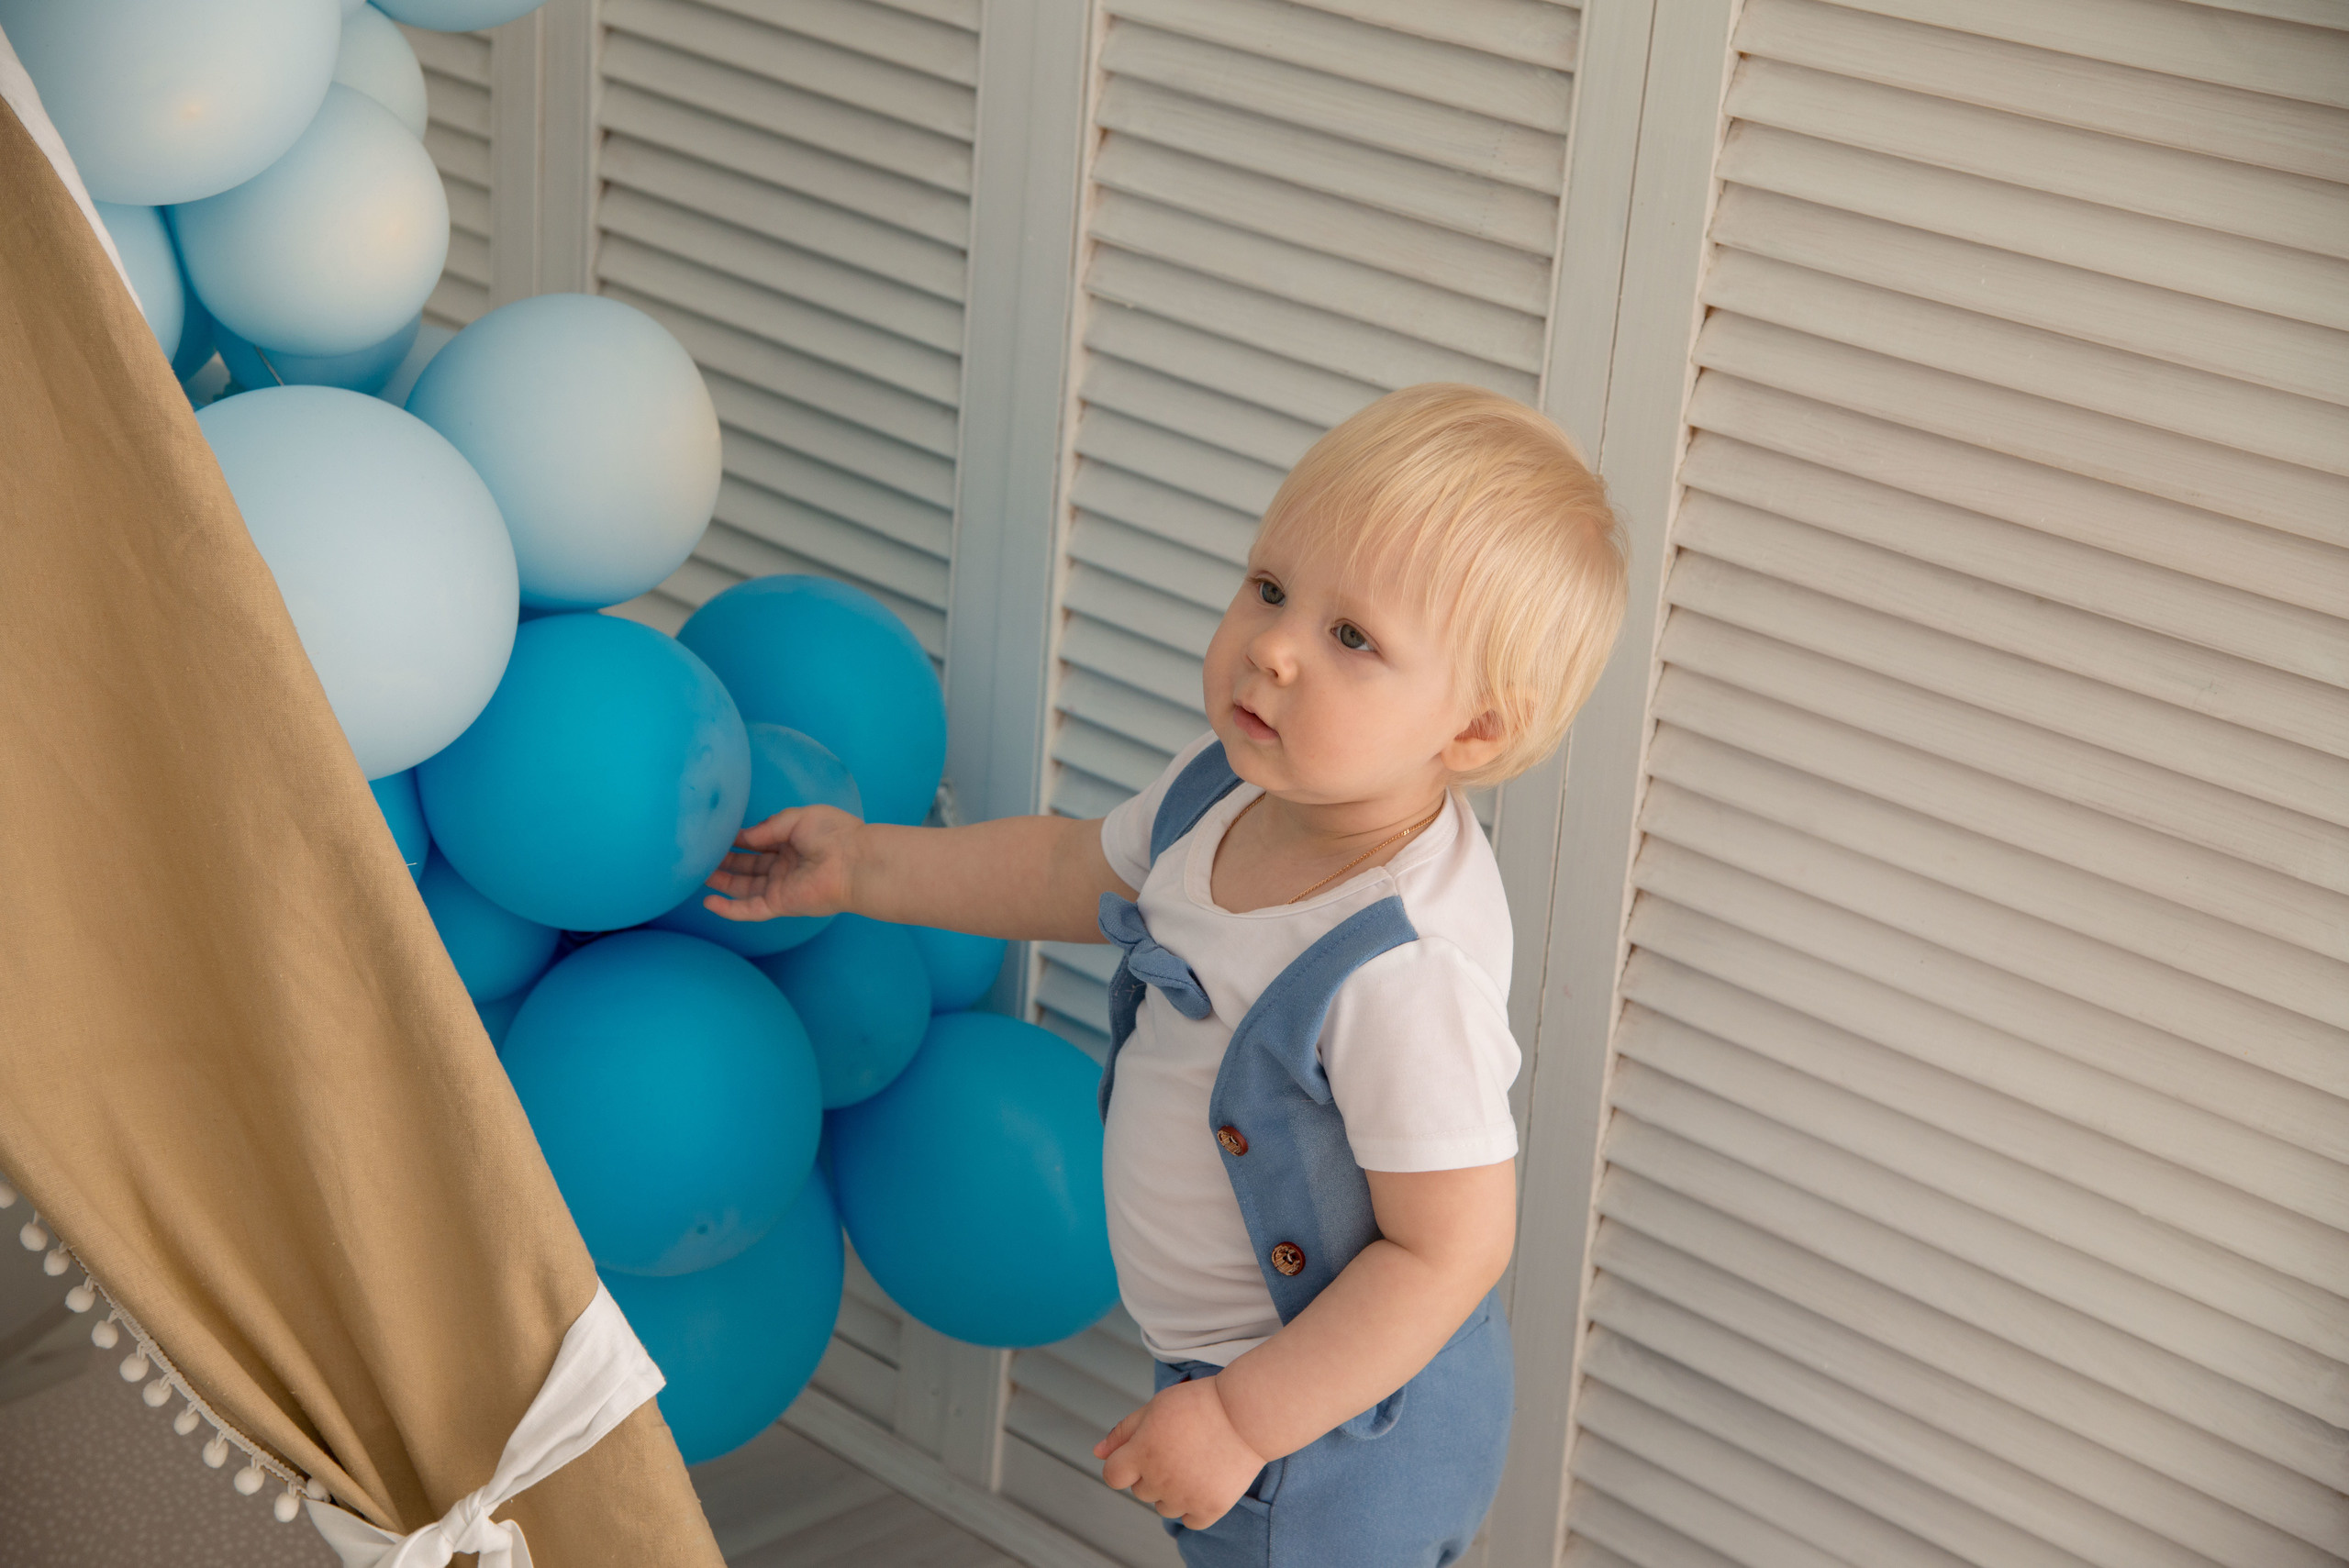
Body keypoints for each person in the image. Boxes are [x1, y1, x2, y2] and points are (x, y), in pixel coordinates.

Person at [704, 383, 1628, 1565]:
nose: (1277, 647)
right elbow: (1062, 864)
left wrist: (1247, 1415)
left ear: (1474, 734)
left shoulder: (1403, 969)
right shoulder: (1228, 794)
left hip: (1341, 1424)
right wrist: (863, 865)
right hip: (1249, 1386)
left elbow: (1451, 1250)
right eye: (1271, 586)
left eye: (1353, 639)